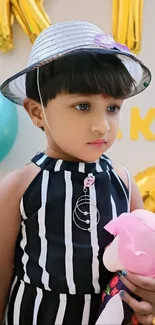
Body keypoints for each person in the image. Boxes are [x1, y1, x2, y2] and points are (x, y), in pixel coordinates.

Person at [0, 20, 154, 325]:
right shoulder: (21, 184)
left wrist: (147, 302)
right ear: (36, 111)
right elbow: (1, 269)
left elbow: (143, 261)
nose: (103, 126)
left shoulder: (123, 183)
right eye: (83, 106)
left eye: (113, 108)